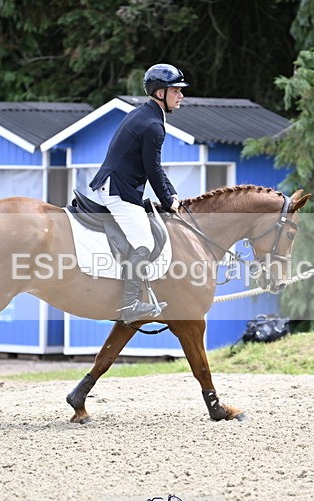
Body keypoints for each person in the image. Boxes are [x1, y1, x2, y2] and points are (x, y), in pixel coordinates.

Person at [88, 63, 188, 323]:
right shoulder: (153, 125)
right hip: (118, 190)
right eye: (175, 90)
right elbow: (152, 170)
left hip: (122, 185)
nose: (181, 95)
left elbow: (153, 167)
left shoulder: (147, 115)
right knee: (144, 241)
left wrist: (172, 195)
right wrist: (168, 201)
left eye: (180, 90)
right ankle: (130, 304)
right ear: (159, 93)